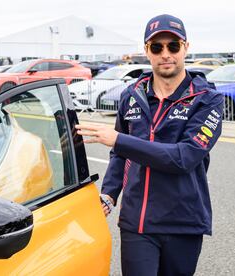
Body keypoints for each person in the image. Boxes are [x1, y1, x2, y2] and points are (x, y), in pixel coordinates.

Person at [76, 14, 223, 276]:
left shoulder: (207, 100)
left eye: (173, 46)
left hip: (183, 223)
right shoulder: (131, 95)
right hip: (138, 223)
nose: (165, 54)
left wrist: (119, 139)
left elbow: (184, 158)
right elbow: (120, 154)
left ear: (185, 48)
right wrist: (109, 193)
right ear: (147, 51)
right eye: (157, 47)